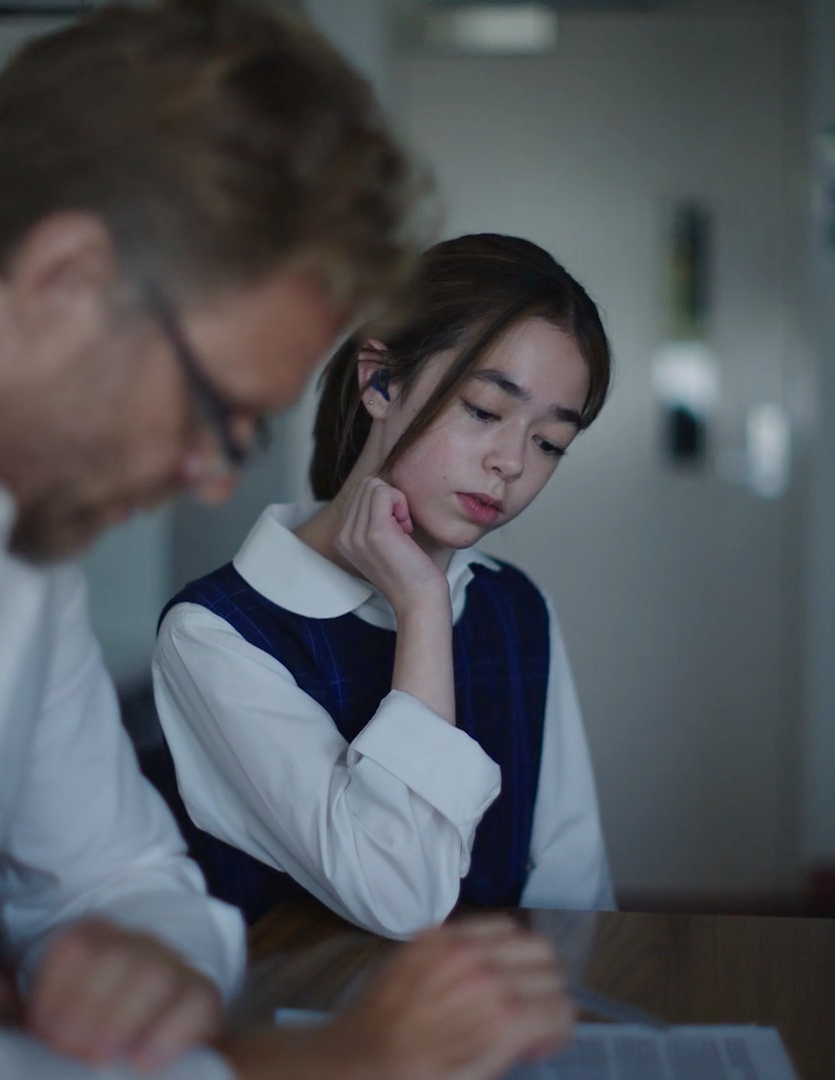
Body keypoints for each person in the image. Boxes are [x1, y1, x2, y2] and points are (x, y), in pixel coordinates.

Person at [0, 5, 574, 1079]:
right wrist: (351, 1066)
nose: (216, 478)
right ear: (67, 280)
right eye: (215, 412)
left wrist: (147, 966)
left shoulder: (8, 515)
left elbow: (117, 872)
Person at [149, 234, 617, 939]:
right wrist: (422, 607)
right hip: (305, 1036)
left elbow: (573, 884)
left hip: (500, 1034)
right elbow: (401, 895)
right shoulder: (215, 635)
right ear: (380, 382)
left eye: (550, 442)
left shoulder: (515, 609)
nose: (512, 462)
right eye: (485, 411)